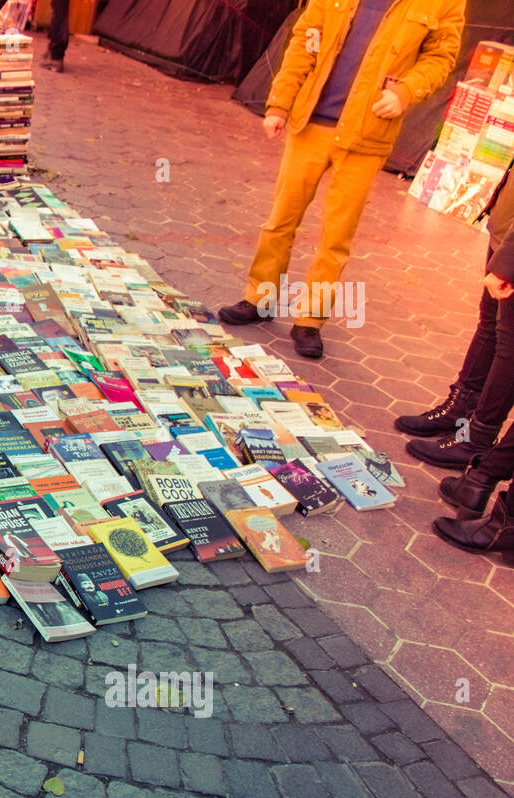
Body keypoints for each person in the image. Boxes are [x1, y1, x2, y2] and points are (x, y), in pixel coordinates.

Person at [216, 0, 464, 360]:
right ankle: (260, 298)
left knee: (336, 237)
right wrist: (279, 104)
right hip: (309, 124)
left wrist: (404, 91)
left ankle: (310, 321)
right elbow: (304, 41)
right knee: (280, 220)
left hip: (365, 137)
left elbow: (441, 58)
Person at [397, 169, 514, 473]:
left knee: (508, 346)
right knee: (490, 326)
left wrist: (508, 263)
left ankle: (474, 439)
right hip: (506, 228)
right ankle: (460, 412)